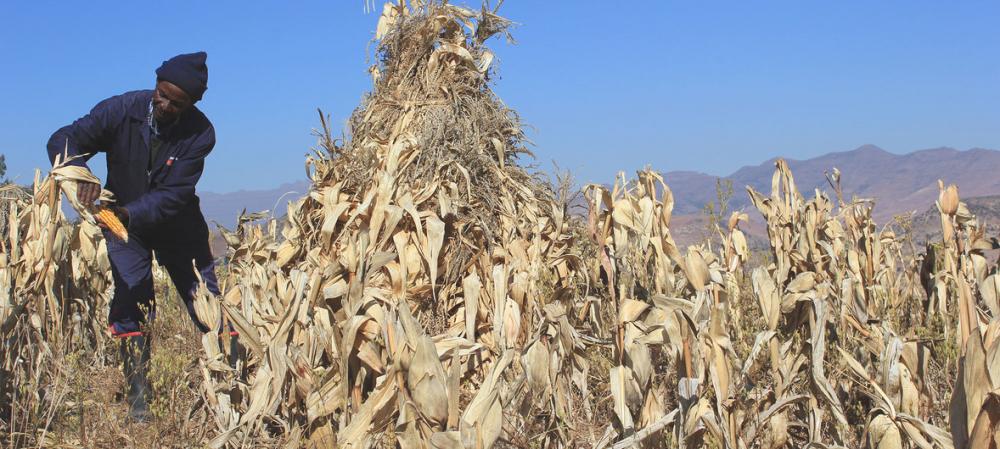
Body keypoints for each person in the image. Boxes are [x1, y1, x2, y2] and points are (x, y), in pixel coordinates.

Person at [46, 52, 222, 422]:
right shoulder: (121, 109)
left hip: (177, 226)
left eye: (177, 103)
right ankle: (140, 406)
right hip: (122, 226)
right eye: (161, 94)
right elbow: (65, 138)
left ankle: (230, 387)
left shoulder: (201, 133)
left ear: (192, 103)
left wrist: (128, 213)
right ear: (155, 84)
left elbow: (173, 196)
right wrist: (80, 175)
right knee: (131, 300)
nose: (165, 105)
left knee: (206, 301)